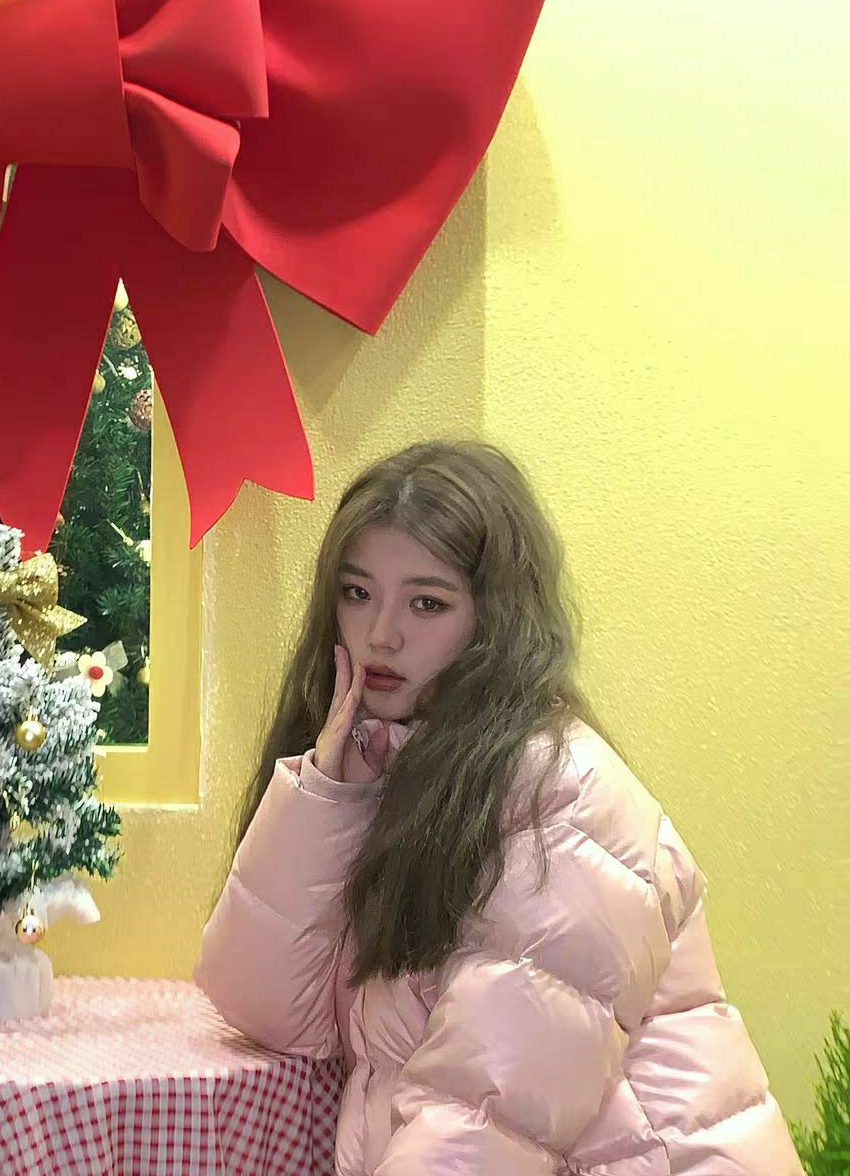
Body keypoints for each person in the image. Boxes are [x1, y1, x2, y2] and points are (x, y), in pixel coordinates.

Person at [194, 441, 800, 1175]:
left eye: (427, 603)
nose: (381, 634)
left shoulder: (561, 800)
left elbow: (481, 1127)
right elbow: (265, 1009)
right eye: (357, 593)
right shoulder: (399, 767)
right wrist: (328, 793)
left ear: (497, 620)